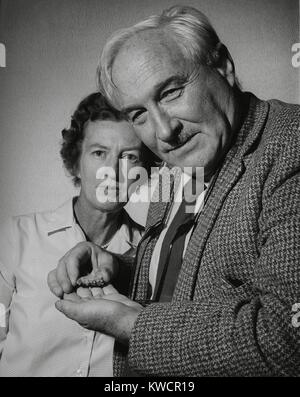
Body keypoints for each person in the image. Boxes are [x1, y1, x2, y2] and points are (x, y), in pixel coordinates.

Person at [48, 6, 300, 376]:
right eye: (138, 114)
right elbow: (177, 265)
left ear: (224, 66)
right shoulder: (176, 164)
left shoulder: (291, 144)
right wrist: (116, 266)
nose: (163, 131)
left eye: (170, 92)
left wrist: (135, 326)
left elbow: (287, 338)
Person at [0, 92, 156, 376]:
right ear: (75, 163)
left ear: (143, 171)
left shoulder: (153, 255)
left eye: (129, 157)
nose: (113, 171)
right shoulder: (14, 238)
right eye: (99, 153)